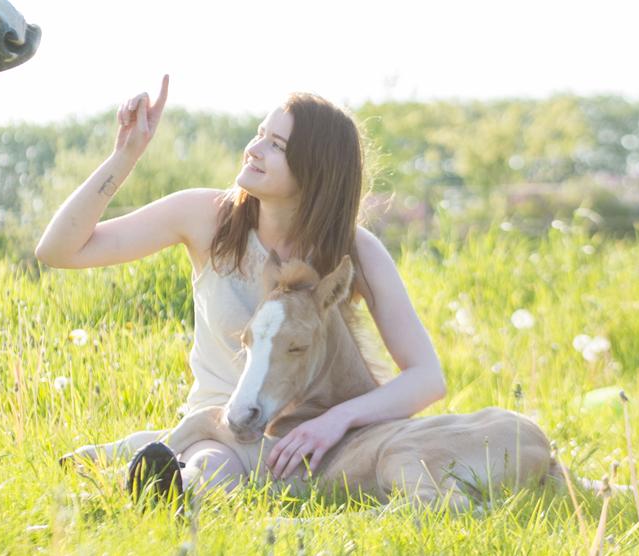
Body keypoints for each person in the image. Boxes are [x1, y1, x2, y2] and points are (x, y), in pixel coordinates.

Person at [37, 75, 446, 495]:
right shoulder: (206, 217)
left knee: (215, 468)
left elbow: (427, 378)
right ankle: (162, 482)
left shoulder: (355, 251)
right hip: (215, 427)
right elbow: (59, 251)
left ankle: (154, 475)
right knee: (212, 462)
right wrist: (126, 154)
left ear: (316, 169)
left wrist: (336, 419)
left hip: (299, 444)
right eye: (259, 134)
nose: (254, 149)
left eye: (277, 146)